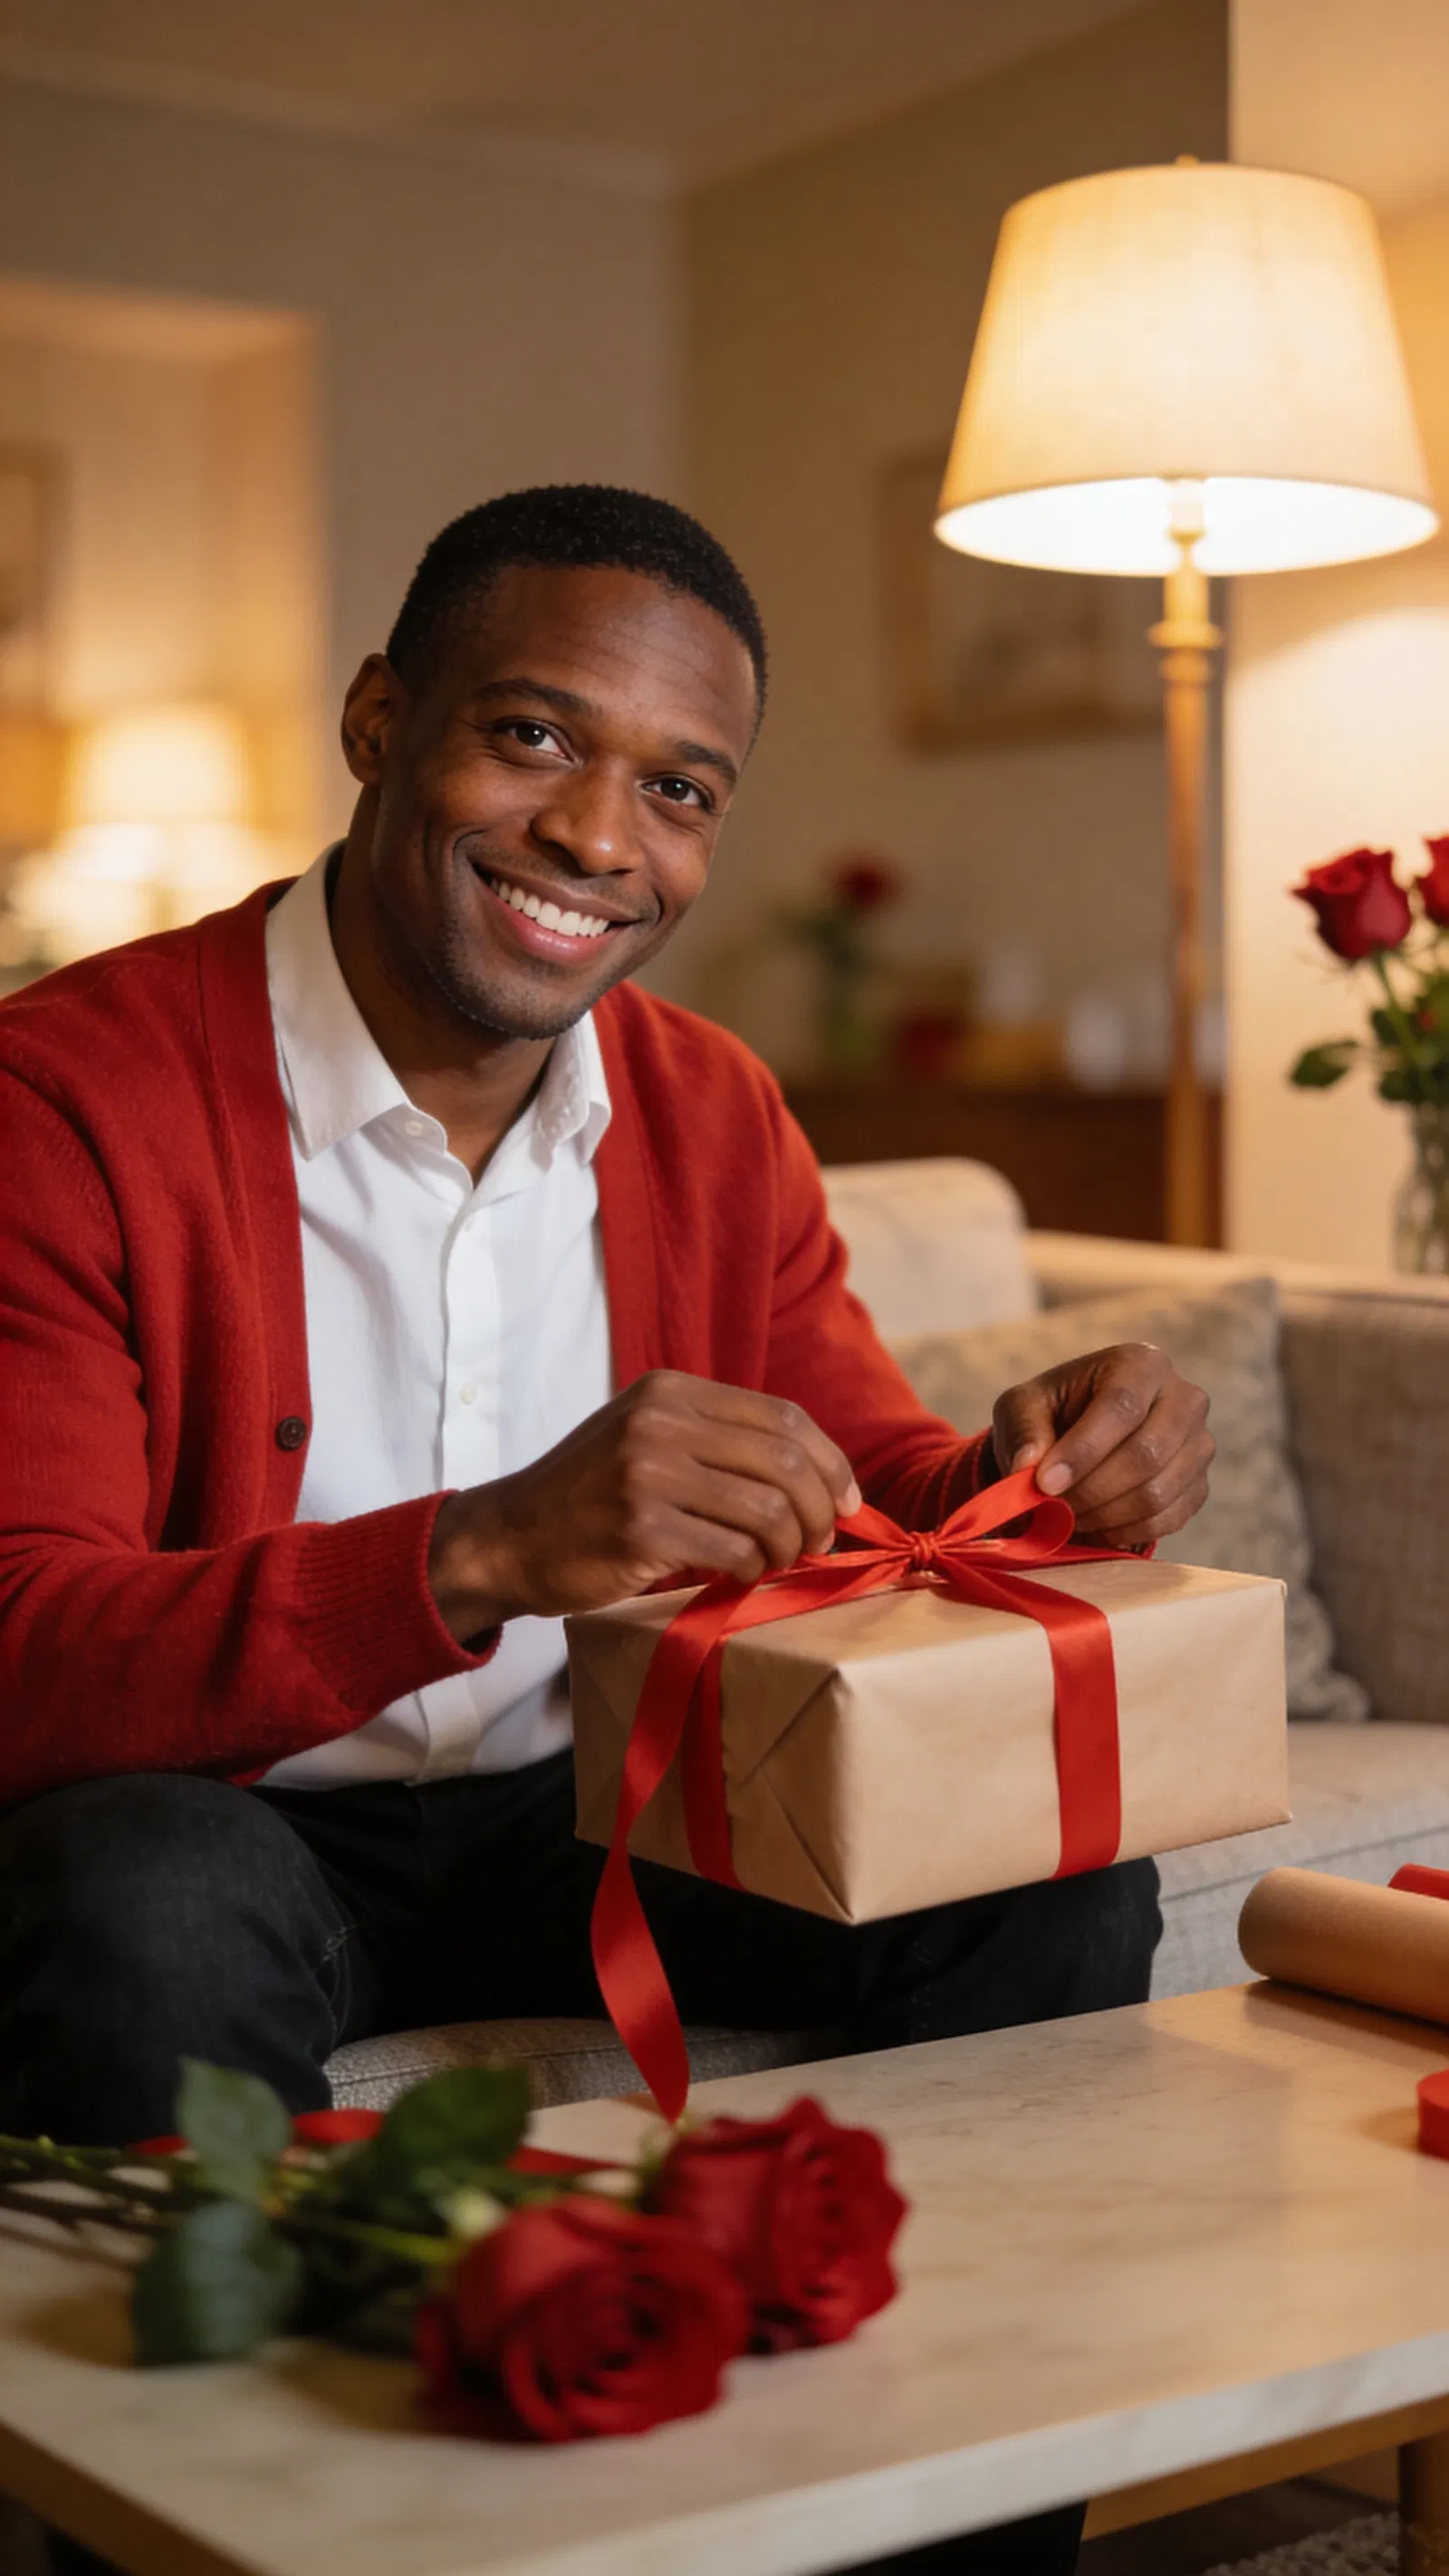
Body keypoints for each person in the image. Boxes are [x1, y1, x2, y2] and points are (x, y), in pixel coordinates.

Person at [0, 485, 1211, 2576]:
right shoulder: (66, 1096)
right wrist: (474, 1552)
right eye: (534, 738)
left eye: (677, 787)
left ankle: (943, 2518)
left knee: (1052, 1872)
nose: (597, 838)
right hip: (228, 1820)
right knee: (140, 1893)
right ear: (381, 720)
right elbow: (27, 1645)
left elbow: (857, 1456)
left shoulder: (710, 1104)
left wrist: (1038, 1465)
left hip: (599, 1812)